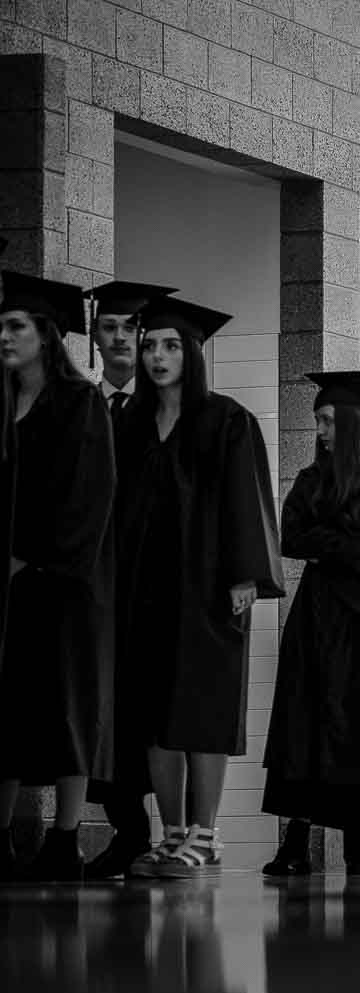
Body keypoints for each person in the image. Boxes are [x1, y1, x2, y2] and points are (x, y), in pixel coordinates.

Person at [114, 296, 283, 880]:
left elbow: (246, 500)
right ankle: (172, 834)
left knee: (203, 707)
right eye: (149, 345)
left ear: (192, 353)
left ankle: (206, 835)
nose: (157, 356)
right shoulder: (130, 421)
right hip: (142, 585)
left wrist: (245, 575)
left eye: (170, 345)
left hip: (209, 587)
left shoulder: (226, 420)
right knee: (154, 711)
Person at [261, 372, 360, 877]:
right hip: (319, 613)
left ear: (353, 422)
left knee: (359, 724)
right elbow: (292, 537)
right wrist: (344, 536)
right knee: (306, 722)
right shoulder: (312, 478)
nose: (322, 430)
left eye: (329, 420)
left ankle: (357, 844)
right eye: (318, 421)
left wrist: (333, 538)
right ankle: (296, 842)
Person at [0, 272, 116, 879]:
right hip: (9, 585)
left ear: (46, 334)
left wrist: (37, 556)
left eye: (15, 325)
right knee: (8, 711)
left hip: (66, 584)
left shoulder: (79, 402)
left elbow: (89, 496)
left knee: (66, 704)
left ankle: (65, 837)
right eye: (0, 325)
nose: (4, 336)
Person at [79, 279, 173, 876]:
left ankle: (153, 831)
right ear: (92, 334)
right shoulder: (79, 403)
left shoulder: (166, 411)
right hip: (90, 581)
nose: (119, 338)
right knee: (99, 705)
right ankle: (125, 827)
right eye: (109, 327)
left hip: (153, 584)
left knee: (148, 707)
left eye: (130, 329)